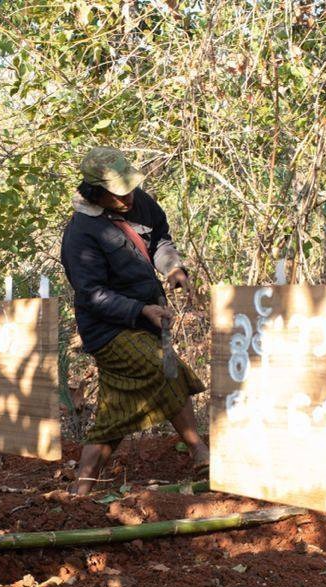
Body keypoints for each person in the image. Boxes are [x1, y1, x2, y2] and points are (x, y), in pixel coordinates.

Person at [59, 146, 210, 496]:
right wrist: (139, 310)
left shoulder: (139, 201)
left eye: (129, 188)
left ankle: (81, 492)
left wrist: (173, 267)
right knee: (165, 369)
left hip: (146, 321)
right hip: (108, 330)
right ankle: (199, 451)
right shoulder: (80, 234)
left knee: (113, 413)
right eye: (118, 193)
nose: (128, 198)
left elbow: (159, 240)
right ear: (96, 192)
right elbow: (91, 294)